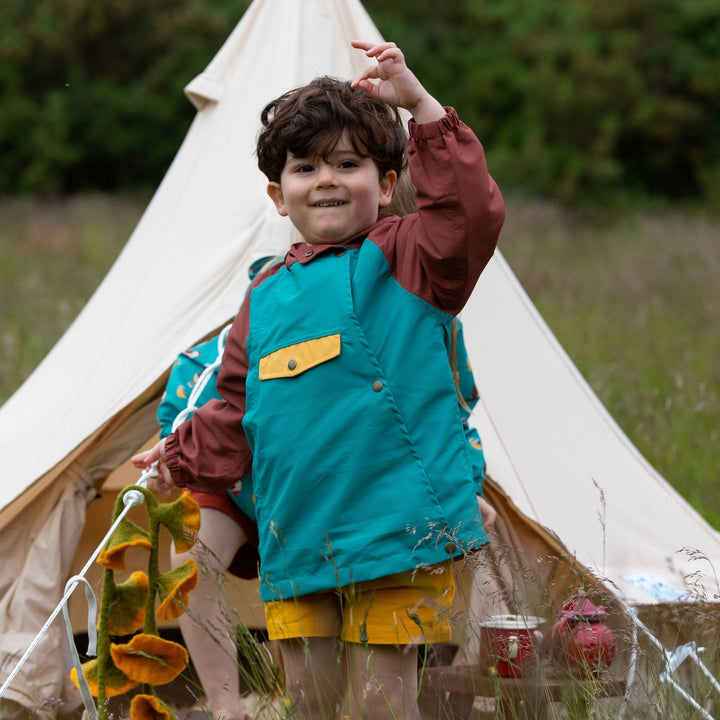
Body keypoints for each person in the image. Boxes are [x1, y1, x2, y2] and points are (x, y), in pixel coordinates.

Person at [134, 39, 504, 720]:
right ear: (279, 195)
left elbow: (470, 214)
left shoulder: (410, 259)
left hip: (396, 535)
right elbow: (235, 407)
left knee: (379, 705)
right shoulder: (264, 296)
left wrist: (420, 106)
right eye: (305, 167)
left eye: (348, 163)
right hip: (301, 538)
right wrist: (178, 457)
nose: (327, 179)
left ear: (386, 184)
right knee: (308, 702)